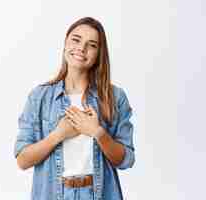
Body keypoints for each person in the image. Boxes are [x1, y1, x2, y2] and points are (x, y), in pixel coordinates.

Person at [14, 17, 135, 200]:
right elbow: (22, 160)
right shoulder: (40, 97)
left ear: (99, 54)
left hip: (100, 194)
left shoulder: (114, 97)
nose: (81, 48)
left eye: (92, 45)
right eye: (76, 39)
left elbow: (126, 160)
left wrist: (97, 132)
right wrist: (58, 135)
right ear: (65, 44)